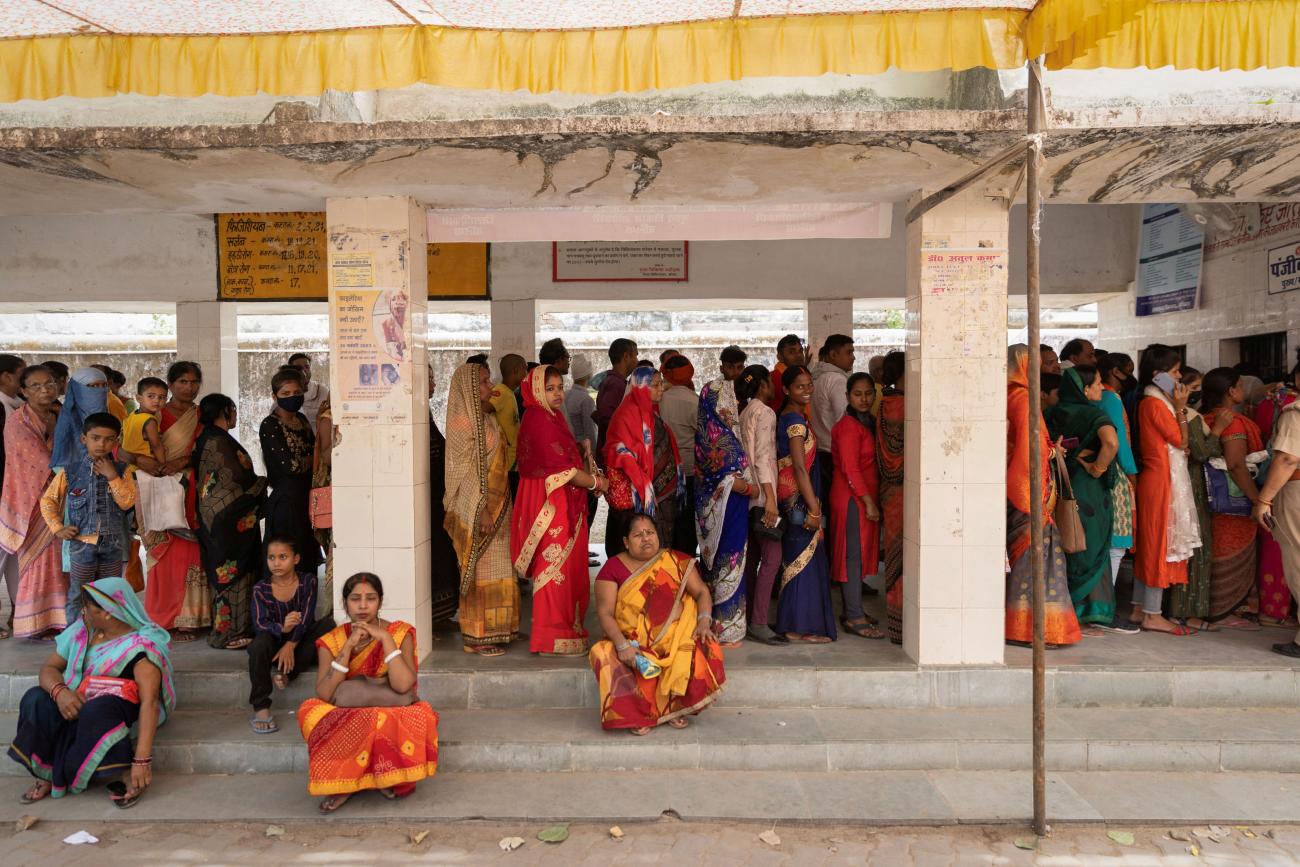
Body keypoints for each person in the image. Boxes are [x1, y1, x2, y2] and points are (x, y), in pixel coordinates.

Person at [8, 577, 173, 807]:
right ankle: (46, 773)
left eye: (88, 608)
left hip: (110, 714)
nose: (82, 611)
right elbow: (49, 668)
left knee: (98, 709)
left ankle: (121, 769)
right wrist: (60, 692)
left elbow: (150, 703)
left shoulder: (141, 647)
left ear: (108, 612)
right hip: (74, 704)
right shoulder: (82, 630)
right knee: (35, 698)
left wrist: (142, 760)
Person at [298, 573, 438, 813]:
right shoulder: (330, 640)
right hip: (354, 706)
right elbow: (324, 693)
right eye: (355, 599)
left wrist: (385, 639)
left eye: (370, 598)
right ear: (344, 603)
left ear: (380, 602)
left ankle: (381, 777)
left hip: (383, 703)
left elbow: (404, 685)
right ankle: (346, 784)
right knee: (311, 711)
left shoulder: (399, 633)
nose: (363, 606)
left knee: (409, 715)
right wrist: (349, 645)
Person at [589, 514, 726, 735]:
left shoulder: (676, 560)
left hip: (675, 635)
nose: (646, 539)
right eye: (638, 535)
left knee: (703, 643)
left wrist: (703, 621)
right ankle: (639, 714)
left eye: (650, 533)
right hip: (631, 641)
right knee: (602, 653)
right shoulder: (612, 568)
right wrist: (622, 646)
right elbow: (605, 613)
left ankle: (675, 707)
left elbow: (701, 592)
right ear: (626, 541)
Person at [513, 366, 606, 656]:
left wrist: (579, 448)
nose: (556, 393)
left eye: (559, 387)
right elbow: (560, 469)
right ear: (537, 390)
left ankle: (564, 630)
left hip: (562, 500)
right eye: (550, 388)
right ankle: (549, 637)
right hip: (551, 504)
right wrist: (595, 482)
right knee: (553, 568)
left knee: (566, 568)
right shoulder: (539, 418)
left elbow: (561, 457)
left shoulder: (550, 416)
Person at [1004, 346, 1081, 647]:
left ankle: (1022, 626)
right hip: (1029, 490)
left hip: (1015, 488)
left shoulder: (1010, 394)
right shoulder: (1023, 399)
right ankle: (1033, 629)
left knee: (1027, 559)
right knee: (1036, 561)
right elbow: (1029, 449)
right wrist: (1052, 452)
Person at [444, 362, 519, 655]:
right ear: (470, 388)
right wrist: (482, 509)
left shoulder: (486, 418)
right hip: (481, 508)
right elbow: (465, 472)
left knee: (499, 568)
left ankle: (501, 628)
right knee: (480, 572)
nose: (491, 387)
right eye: (485, 382)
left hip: (499, 505)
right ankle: (478, 634)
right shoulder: (462, 424)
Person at [132, 361, 211, 639]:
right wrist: (145, 461)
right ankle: (163, 619)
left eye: (194, 382)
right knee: (163, 556)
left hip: (192, 490)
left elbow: (209, 448)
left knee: (192, 555)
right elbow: (123, 449)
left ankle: (192, 619)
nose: (189, 388)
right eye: (182, 382)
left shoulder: (202, 415)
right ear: (171, 384)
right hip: (157, 490)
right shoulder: (152, 414)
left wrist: (183, 461)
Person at [41, 413, 136, 625]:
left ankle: (105, 638)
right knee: (79, 594)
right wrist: (58, 528)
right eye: (95, 438)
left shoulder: (122, 470)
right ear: (84, 439)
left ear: (116, 441)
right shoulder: (70, 472)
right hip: (82, 546)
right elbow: (48, 501)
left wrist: (112, 477)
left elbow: (127, 502)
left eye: (108, 439)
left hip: (112, 547)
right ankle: (75, 639)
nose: (101, 444)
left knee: (109, 595)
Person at [1047, 365, 1119, 632]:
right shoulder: (1093, 414)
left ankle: (1064, 607)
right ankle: (1092, 610)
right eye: (1098, 383)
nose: (1102, 388)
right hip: (1088, 485)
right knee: (1092, 541)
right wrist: (1098, 468)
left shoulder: (1051, 412)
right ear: (1085, 389)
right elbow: (1111, 443)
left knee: (1067, 538)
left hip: (1061, 482)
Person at [1132, 347, 1198, 634]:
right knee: (1158, 544)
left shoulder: (1154, 402)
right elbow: (1182, 441)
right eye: (1174, 372)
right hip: (1161, 481)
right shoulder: (1156, 404)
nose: (1180, 377)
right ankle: (1152, 613)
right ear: (1159, 376)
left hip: (1159, 479)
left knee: (1153, 542)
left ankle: (1139, 608)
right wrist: (1181, 408)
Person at [193, 393, 267, 650]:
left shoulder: (207, 438)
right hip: (228, 520)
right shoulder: (218, 440)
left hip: (218, 518)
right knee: (234, 576)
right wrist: (263, 484)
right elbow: (236, 478)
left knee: (225, 575)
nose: (235, 415)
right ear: (226, 410)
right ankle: (231, 633)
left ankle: (230, 630)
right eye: (233, 410)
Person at [0, 365, 65, 638]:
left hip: (61, 498)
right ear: (24, 391)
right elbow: (37, 461)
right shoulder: (18, 420)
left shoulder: (60, 414)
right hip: (32, 501)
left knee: (59, 561)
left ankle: (59, 619)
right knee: (36, 561)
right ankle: (34, 623)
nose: (45, 390)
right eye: (36, 386)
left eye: (49, 384)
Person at [774, 365, 837, 642]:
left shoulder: (793, 416)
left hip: (796, 499)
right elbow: (800, 468)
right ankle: (800, 628)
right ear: (786, 390)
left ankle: (796, 625)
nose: (808, 390)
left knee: (800, 561)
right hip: (800, 502)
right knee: (804, 563)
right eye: (800, 386)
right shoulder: (794, 423)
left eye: (810, 384)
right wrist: (813, 508)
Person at [1199, 368, 1266, 626]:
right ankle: (1224, 613)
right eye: (1240, 385)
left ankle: (1217, 610)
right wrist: (1257, 499)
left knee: (1216, 550)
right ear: (1231, 391)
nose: (1243, 390)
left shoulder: (1207, 417)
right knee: (1230, 551)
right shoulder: (1232, 422)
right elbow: (1237, 465)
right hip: (1233, 502)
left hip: (1212, 499)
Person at [247, 536, 333, 734]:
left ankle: (286, 673)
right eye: (271, 558)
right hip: (273, 645)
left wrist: (291, 643)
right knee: (258, 644)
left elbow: (307, 616)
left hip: (300, 643)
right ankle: (261, 707)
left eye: (283, 557)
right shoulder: (261, 589)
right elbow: (260, 624)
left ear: (296, 559)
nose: (276, 563)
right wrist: (282, 629)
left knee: (327, 625)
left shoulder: (307, 581)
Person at [694, 371, 753, 646]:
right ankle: (727, 630)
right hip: (729, 513)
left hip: (717, 514)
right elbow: (734, 481)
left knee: (721, 566)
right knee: (731, 563)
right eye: (730, 399)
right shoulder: (723, 440)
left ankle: (717, 624)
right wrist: (754, 489)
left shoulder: (706, 435)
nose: (735, 405)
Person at [1166, 367, 1228, 631]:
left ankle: (1179, 610)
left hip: (1180, 484)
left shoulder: (1173, 412)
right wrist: (1219, 430)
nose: (1196, 393)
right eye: (1193, 388)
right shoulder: (1188, 416)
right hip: (1191, 486)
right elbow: (1202, 453)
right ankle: (1185, 612)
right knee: (1195, 551)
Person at [830, 372, 885, 640]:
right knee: (851, 558)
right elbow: (850, 469)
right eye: (857, 394)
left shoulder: (868, 422)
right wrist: (868, 502)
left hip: (862, 498)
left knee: (859, 555)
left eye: (868, 393)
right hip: (852, 499)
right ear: (847, 396)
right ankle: (853, 616)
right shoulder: (848, 427)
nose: (864, 399)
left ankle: (855, 610)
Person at [604, 367, 679, 557]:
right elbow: (619, 450)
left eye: (661, 383)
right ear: (641, 387)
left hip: (655, 494)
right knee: (635, 547)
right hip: (634, 496)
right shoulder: (626, 415)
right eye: (655, 385)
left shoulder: (650, 413)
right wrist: (643, 483)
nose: (661, 388)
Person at [736, 365, 786, 645]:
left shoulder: (745, 412)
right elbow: (763, 458)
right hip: (763, 495)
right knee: (772, 559)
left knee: (753, 558)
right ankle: (759, 622)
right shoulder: (765, 412)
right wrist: (771, 500)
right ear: (764, 385)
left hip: (748, 495)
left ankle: (749, 617)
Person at [259, 367, 322, 577]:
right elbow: (290, 466)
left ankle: (305, 605)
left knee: (306, 556)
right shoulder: (270, 425)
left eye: (296, 393)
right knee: (286, 559)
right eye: (285, 394)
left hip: (307, 497)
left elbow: (314, 455)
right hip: (285, 502)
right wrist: (314, 459)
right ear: (274, 396)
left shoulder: (302, 420)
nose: (292, 398)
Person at [1096, 354, 1141, 634]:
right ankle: (1106, 609)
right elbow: (1118, 440)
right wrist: (1132, 471)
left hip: (1100, 475)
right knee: (1117, 543)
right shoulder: (1110, 399)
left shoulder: (1097, 398)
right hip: (1115, 474)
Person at [1254, 361, 1300, 626]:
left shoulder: (1295, 412)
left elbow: (1286, 460)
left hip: (1295, 491)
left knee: (1296, 561)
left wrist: (1263, 500)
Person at [877, 351, 906, 643]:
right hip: (900, 492)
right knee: (902, 557)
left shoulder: (885, 401)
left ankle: (898, 618)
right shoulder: (903, 405)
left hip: (890, 489)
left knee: (897, 556)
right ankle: (901, 622)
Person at [427, 365, 459, 625]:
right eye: (428, 379)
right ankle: (433, 616)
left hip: (438, 496)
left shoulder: (424, 413)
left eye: (433, 378)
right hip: (426, 500)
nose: (433, 384)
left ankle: (443, 614)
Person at [660, 354, 699, 554]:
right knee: (687, 524)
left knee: (666, 521)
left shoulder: (659, 399)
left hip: (664, 470)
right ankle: (686, 568)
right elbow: (703, 437)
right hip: (689, 468)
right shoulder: (694, 402)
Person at [810, 335, 854, 496]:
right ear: (833, 355)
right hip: (834, 453)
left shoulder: (816, 377)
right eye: (849, 353)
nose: (853, 357)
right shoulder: (837, 380)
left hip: (819, 452)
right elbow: (844, 420)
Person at [49, 366, 108, 471]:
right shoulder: (68, 419)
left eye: (104, 385)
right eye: (94, 386)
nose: (100, 391)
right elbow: (61, 464)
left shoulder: (105, 413)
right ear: (78, 389)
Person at [595, 337, 639, 465]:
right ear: (626, 357)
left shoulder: (615, 382)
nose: (637, 361)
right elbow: (606, 417)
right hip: (613, 456)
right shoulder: (616, 384)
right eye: (635, 356)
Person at [489, 354, 526, 488]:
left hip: (513, 458)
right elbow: (486, 408)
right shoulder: (501, 391)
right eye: (524, 370)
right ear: (516, 371)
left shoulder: (510, 393)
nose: (526, 374)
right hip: (507, 460)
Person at [121, 377, 169, 468]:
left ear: (166, 400)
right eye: (151, 396)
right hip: (144, 467)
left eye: (161, 397)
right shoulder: (149, 420)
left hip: (127, 464)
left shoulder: (132, 415)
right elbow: (156, 446)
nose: (156, 400)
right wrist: (163, 466)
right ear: (139, 398)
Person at [288, 353, 330, 431]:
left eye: (307, 367)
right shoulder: (285, 393)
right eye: (299, 368)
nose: (304, 371)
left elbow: (329, 417)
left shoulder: (322, 390)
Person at [769, 334, 806, 412]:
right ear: (780, 357)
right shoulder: (773, 378)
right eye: (792, 352)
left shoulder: (802, 374)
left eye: (800, 351)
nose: (799, 355)